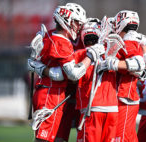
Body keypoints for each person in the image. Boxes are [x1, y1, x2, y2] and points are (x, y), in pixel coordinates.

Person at [27, 3, 105, 142]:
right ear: (66, 20)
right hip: (51, 94)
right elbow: (73, 74)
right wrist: (91, 55)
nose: (78, 26)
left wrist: (41, 69)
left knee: (50, 138)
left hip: (47, 91)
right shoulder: (61, 41)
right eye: (76, 22)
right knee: (44, 140)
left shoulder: (50, 34)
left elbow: (34, 62)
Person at [98, 10, 146, 142]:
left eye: (116, 22)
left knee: (120, 138)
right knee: (128, 137)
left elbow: (139, 64)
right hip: (120, 96)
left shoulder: (129, 41)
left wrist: (114, 63)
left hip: (125, 96)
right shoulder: (129, 41)